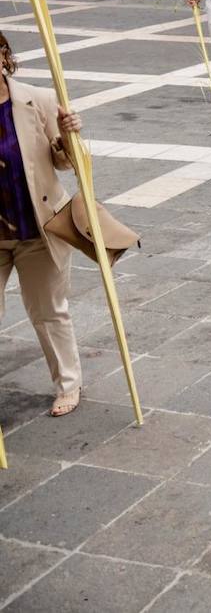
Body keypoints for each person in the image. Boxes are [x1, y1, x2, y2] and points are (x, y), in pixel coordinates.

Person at [0, 35, 85, 418]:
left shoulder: (38, 100)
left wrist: (68, 135)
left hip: (37, 226)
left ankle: (69, 384)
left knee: (48, 311)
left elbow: (67, 162)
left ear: (4, 56)